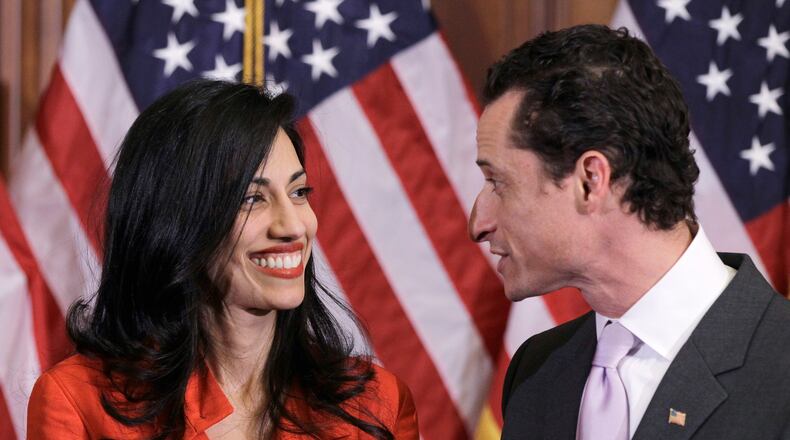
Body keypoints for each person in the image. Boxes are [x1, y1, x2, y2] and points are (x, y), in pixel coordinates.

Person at [27, 80, 418, 439]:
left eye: (299, 192)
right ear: (177, 220)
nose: (293, 226)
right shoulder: (78, 402)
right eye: (252, 198)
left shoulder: (378, 405)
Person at [469, 24, 790, 439]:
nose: (479, 223)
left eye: (497, 183)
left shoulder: (781, 363)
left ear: (590, 180)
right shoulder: (537, 371)